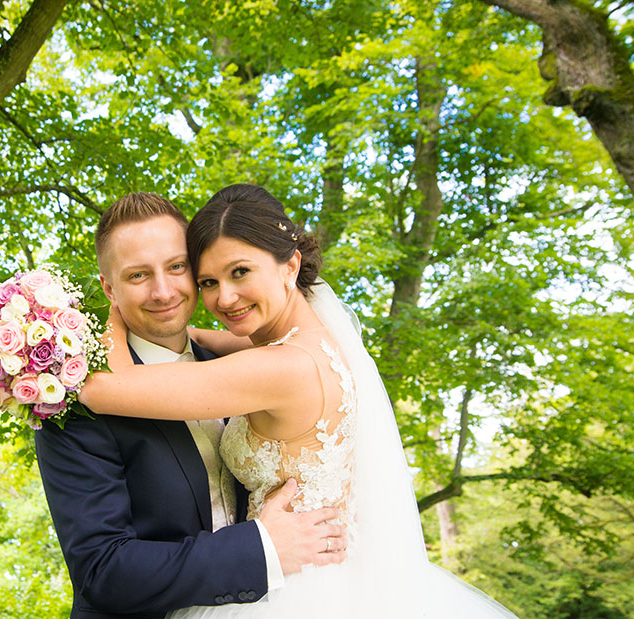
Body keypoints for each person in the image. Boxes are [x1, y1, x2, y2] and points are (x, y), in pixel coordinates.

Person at [80, 184, 521, 618]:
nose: (223, 298)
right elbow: (200, 339)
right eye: (208, 281)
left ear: (290, 266)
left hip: (295, 589)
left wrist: (114, 311)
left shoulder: (281, 368)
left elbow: (101, 387)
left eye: (240, 272)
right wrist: (172, 322)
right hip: (329, 578)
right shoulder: (312, 345)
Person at [34, 192, 347, 619]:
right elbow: (103, 572)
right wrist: (261, 548)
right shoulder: (70, 405)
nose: (163, 291)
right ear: (109, 287)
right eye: (138, 275)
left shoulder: (245, 367)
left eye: (177, 267)